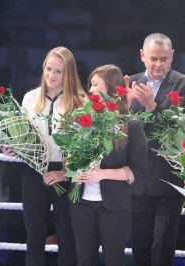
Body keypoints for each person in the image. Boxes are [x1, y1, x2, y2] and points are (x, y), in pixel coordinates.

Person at [0, 46, 85, 266]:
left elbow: (86, 147)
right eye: (48, 69)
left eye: (58, 71)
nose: (51, 75)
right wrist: (10, 149)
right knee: (34, 238)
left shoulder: (81, 102)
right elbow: (22, 139)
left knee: (67, 238)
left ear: (69, 73)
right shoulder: (30, 98)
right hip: (34, 171)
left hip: (66, 175)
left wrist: (65, 173)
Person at [128, 33, 185, 266]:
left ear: (172, 57)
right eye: (153, 58)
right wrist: (125, 108)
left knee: (162, 248)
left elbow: (183, 132)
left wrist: (152, 106)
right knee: (139, 246)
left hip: (168, 181)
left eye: (163, 59)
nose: (158, 64)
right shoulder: (131, 82)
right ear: (142, 56)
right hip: (136, 179)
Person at [69, 64, 148, 266]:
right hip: (81, 203)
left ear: (111, 88)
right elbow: (69, 156)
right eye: (90, 85)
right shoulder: (81, 119)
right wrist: (72, 168)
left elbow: (138, 170)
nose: (91, 90)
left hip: (114, 204)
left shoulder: (132, 124)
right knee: (84, 260)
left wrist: (101, 174)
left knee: (114, 260)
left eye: (95, 85)